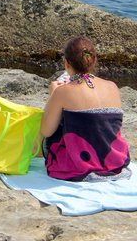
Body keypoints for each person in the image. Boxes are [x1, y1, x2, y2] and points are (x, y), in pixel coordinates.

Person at [41, 36, 131, 181]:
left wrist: (53, 95)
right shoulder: (112, 86)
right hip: (113, 162)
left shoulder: (62, 91)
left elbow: (46, 131)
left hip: (78, 166)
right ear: (94, 60)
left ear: (67, 63)